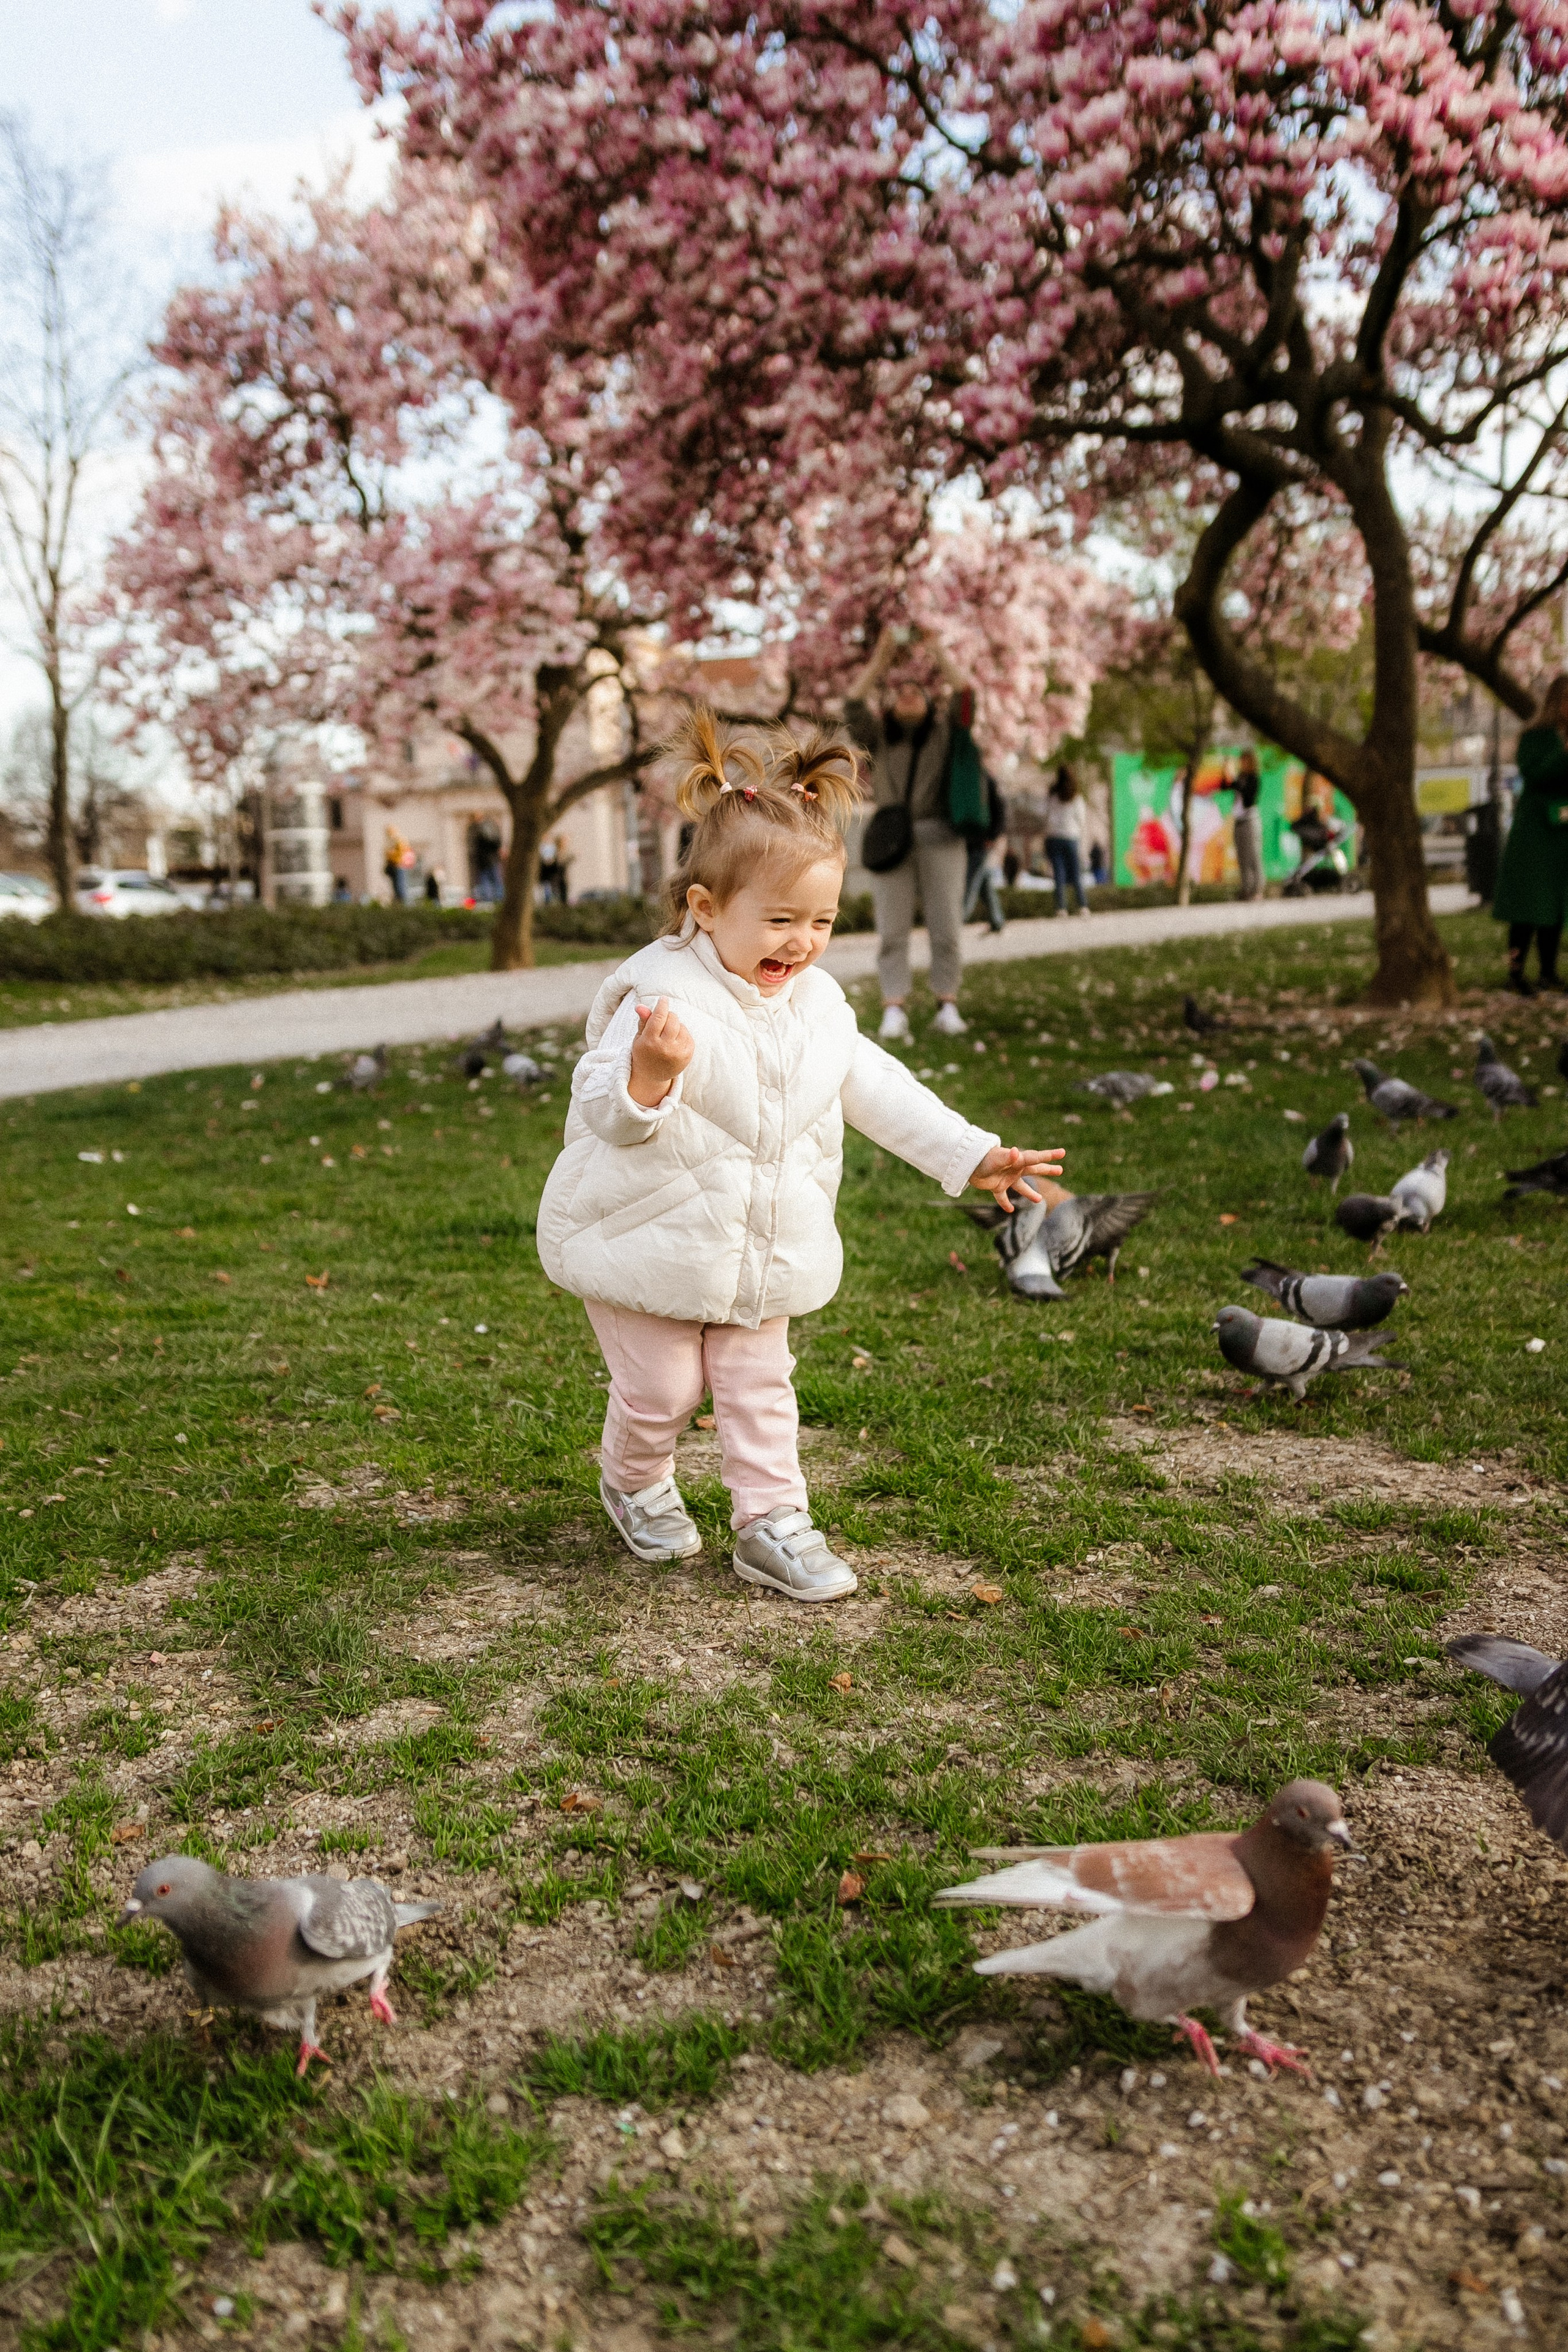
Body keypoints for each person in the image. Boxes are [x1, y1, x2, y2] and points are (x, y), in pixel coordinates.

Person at [536, 707, 1066, 1604]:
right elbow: (603, 1115)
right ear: (705, 909)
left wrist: (970, 1153)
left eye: (820, 920)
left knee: (757, 1387)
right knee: (663, 1391)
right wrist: (647, 1077)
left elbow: (878, 1087)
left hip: (761, 1248)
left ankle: (771, 1523)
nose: (803, 942)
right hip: (644, 1241)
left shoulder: (818, 1006)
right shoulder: (661, 999)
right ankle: (633, 1480)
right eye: (780, 919)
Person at [844, 620, 976, 1042]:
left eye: (917, 691)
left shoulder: (944, 733)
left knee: (946, 924)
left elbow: (967, 696)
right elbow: (852, 703)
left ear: (930, 701)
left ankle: (947, 1003)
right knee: (892, 926)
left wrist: (937, 651)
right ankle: (894, 1007)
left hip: (940, 833)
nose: (909, 694)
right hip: (890, 837)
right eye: (901, 691)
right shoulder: (878, 737)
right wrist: (881, 658)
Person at [1496, 674, 1568, 995]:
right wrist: (1564, 751)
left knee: (1555, 907)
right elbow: (1535, 774)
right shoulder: (1535, 736)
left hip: (1563, 833)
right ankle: (1515, 973)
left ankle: (1549, 973)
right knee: (1529, 907)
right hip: (1535, 833)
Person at [962, 771, 1007, 933]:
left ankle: (960, 917)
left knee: (970, 883)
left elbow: (1000, 809)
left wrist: (993, 836)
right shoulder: (971, 779)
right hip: (972, 842)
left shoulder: (985, 780)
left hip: (980, 842)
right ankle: (997, 919)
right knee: (984, 883)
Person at [1044, 764, 1091, 916]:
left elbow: (1047, 815)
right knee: (1076, 873)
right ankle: (1083, 906)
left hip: (1054, 837)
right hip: (1071, 837)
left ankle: (1061, 908)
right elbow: (1081, 819)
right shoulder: (1076, 796)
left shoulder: (1053, 795)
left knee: (1059, 874)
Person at [1232, 749, 1264, 901]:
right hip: (1239, 820)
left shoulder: (1253, 778)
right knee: (1242, 856)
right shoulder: (1240, 777)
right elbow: (1228, 786)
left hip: (1250, 820)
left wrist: (1239, 784)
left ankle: (1257, 888)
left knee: (1253, 855)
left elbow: (1249, 797)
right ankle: (1246, 888)